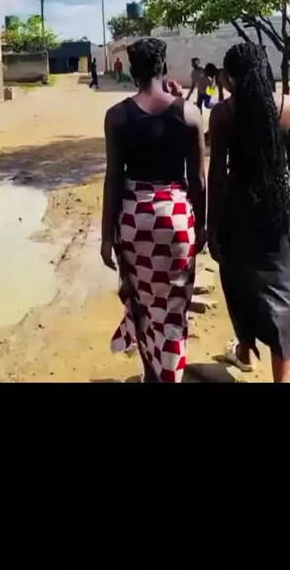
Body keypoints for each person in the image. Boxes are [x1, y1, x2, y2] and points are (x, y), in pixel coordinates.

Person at [101, 37, 206, 383]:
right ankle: (170, 375)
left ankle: (150, 374)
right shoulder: (189, 113)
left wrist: (106, 236)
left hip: (135, 220)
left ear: (133, 71)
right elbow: (198, 180)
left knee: (141, 302)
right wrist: (202, 226)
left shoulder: (117, 116)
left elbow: (114, 177)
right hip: (176, 219)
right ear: (163, 67)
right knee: (174, 308)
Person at [207, 42, 290, 383]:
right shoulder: (288, 108)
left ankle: (245, 349)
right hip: (280, 213)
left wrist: (211, 228)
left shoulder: (223, 114)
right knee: (283, 294)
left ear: (230, 77)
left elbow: (217, 177)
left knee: (239, 284)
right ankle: (279, 376)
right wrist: (284, 202)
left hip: (238, 213)